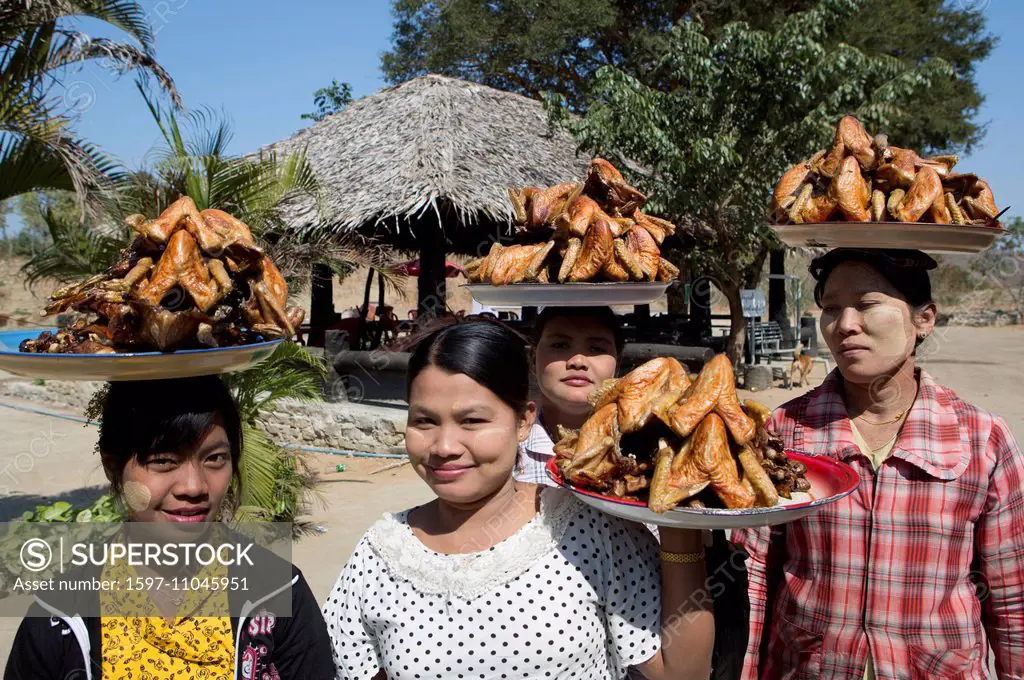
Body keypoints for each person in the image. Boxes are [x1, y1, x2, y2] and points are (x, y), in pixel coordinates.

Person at [322, 318, 715, 680]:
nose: (443, 446)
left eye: (472, 421)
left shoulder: (590, 530)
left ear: (524, 420)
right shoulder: (380, 552)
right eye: (424, 421)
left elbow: (682, 673)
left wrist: (682, 526)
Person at [734, 249, 1024, 679]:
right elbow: (753, 574)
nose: (845, 324)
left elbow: (1011, 595)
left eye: (867, 304)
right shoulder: (784, 430)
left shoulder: (981, 438)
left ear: (924, 319)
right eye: (831, 308)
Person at [5, 376, 335, 680]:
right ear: (112, 465)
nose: (194, 486)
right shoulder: (60, 615)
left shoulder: (278, 594)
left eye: (215, 458)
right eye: (163, 460)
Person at [516, 305, 623, 486]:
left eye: (596, 348)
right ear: (533, 360)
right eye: (560, 345)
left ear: (617, 365)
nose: (578, 362)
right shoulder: (506, 451)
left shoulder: (645, 452)